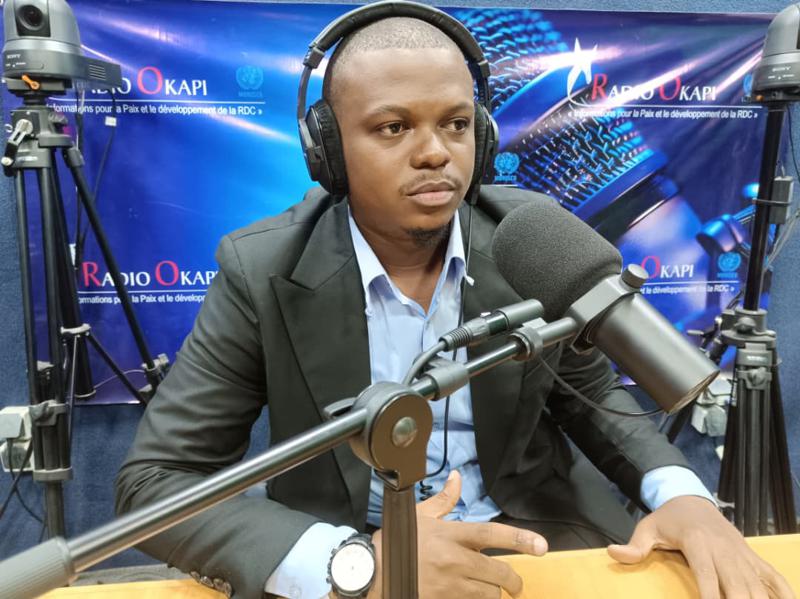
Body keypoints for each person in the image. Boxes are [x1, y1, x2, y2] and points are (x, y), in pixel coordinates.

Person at [115, 5, 794, 599]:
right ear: (328, 150)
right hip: (357, 553)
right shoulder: (262, 270)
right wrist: (353, 564)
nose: (435, 153)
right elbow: (156, 482)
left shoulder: (527, 240)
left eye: (457, 124)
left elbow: (594, 399)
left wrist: (684, 497)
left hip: (533, 542)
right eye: (393, 128)